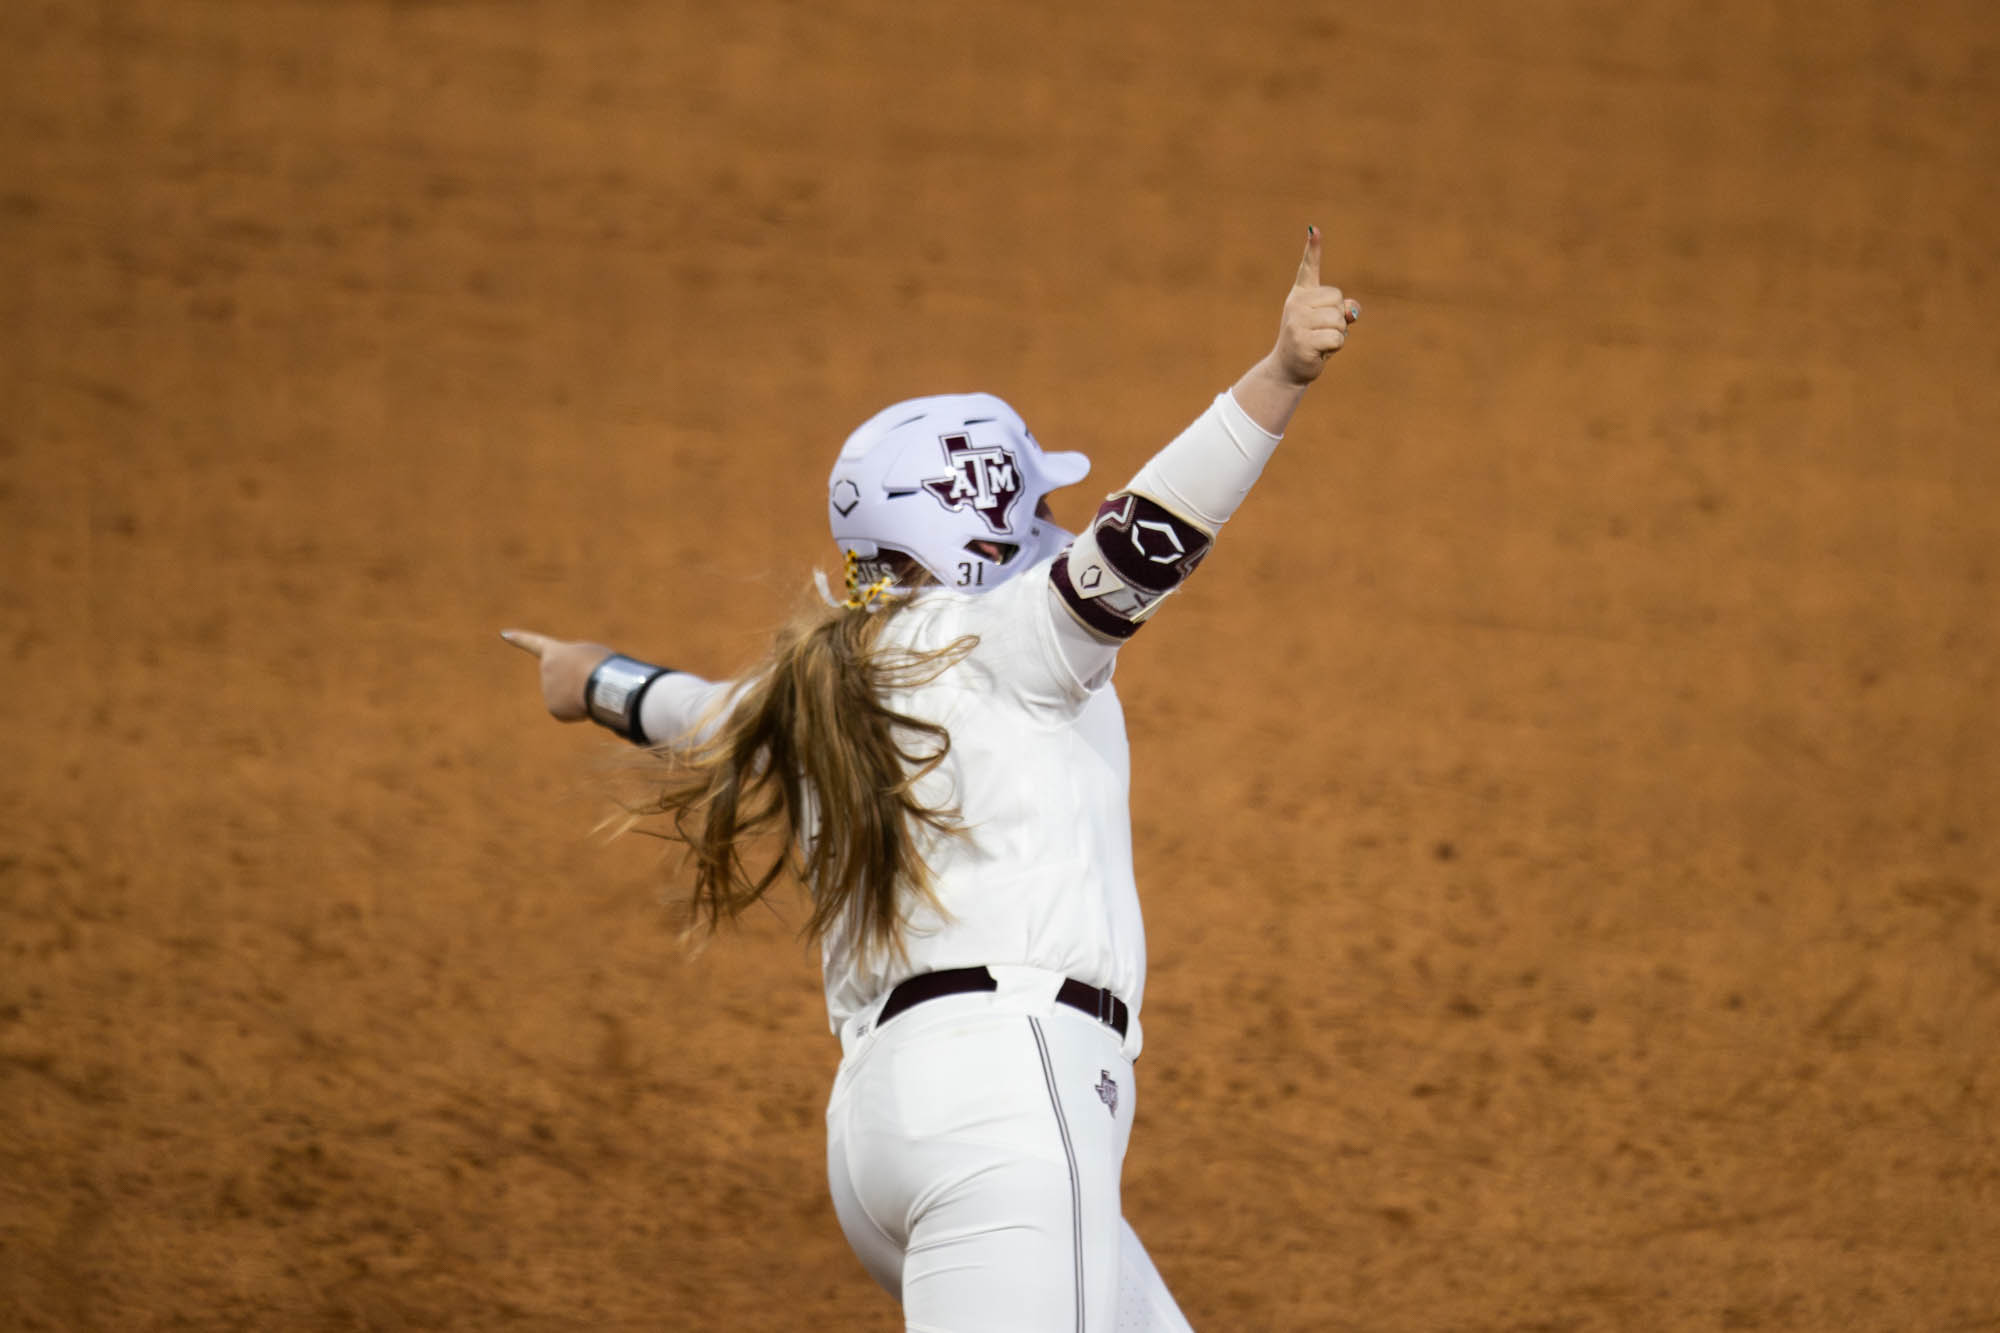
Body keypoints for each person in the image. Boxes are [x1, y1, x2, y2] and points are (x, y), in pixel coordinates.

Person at [502, 228, 1359, 1332]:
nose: (1053, 527)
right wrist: (1279, 376)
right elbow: (1150, 532)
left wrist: (593, 678)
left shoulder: (821, 678)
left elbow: (697, 710)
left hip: (881, 1136)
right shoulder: (1013, 639)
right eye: (1030, 508)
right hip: (1011, 1100)